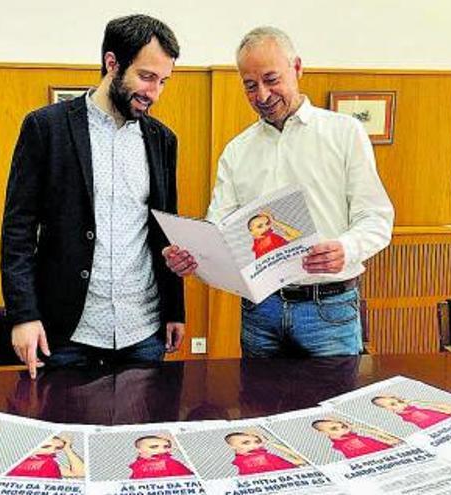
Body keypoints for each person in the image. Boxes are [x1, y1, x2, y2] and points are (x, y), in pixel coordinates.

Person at [164, 26, 393, 357]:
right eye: (250, 85)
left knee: (329, 409)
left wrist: (347, 247)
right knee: (259, 407)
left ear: (297, 68)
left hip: (328, 309)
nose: (263, 95)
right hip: (261, 312)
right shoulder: (236, 150)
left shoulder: (344, 133)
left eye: (272, 80)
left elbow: (377, 218)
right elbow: (220, 229)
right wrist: (193, 256)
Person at [1, 14, 185, 378]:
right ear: (112, 63)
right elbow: (17, 231)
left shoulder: (163, 140)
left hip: (143, 330)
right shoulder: (46, 127)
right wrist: (24, 315)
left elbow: (167, 230)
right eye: (147, 77)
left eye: (163, 81)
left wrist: (174, 310)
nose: (155, 92)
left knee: (141, 434)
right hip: (67, 332)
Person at [224, 431, 305, 475]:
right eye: (246, 443)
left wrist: (270, 442)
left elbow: (301, 460)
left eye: (257, 442)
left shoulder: (270, 456)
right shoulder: (234, 466)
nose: (255, 446)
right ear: (232, 446)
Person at [311, 418, 399, 459]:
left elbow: (394, 441)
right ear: (323, 433)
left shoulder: (357, 436)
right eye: (334, 428)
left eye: (343, 425)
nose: (342, 428)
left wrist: (357, 428)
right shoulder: (339, 447)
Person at [7, 435, 85, 478]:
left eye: (57, 448)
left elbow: (80, 473)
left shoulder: (49, 462)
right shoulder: (12, 459)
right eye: (46, 446)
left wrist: (67, 448)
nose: (52, 451)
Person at [371, 395, 451, 429]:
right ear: (387, 409)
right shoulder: (402, 420)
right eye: (393, 404)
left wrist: (415, 401)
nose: (399, 404)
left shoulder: (419, 408)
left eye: (399, 401)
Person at [128, 435, 194, 479]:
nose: (161, 450)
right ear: (139, 449)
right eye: (153, 447)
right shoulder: (137, 466)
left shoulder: (170, 463)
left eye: (166, 447)